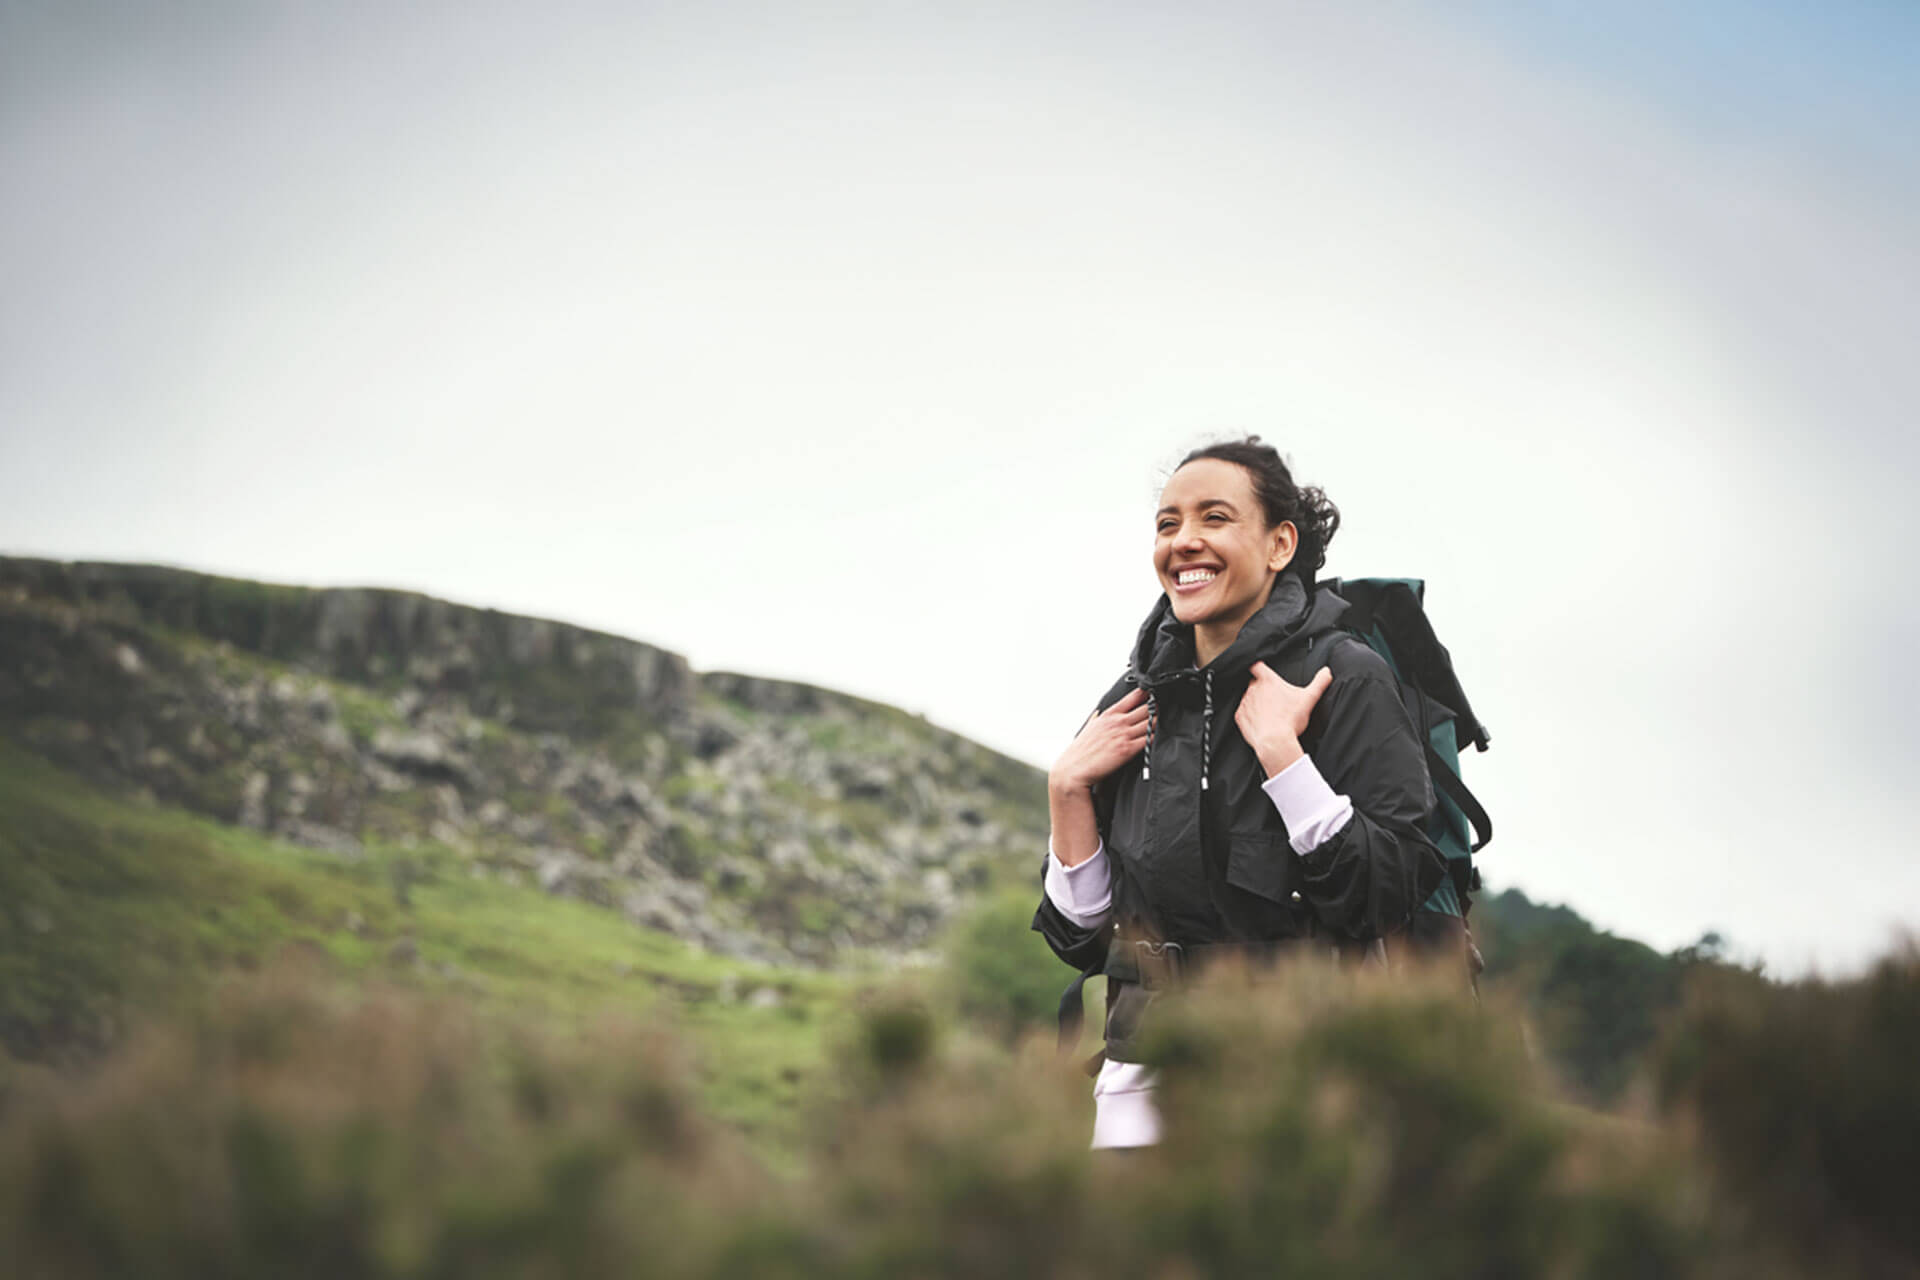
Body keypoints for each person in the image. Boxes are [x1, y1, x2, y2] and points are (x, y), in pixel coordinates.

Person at [1034, 437, 1452, 1149]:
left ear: (1280, 543)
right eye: (1168, 524)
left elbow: (1384, 894)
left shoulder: (1343, 678)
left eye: (1214, 518)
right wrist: (1068, 792)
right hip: (1142, 1089)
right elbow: (1080, 939)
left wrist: (1285, 760)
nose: (1184, 542)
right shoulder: (1133, 698)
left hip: (1307, 1080)